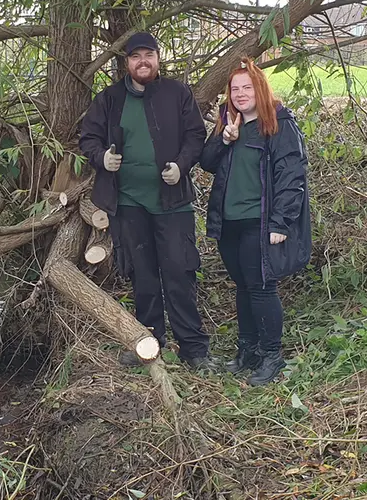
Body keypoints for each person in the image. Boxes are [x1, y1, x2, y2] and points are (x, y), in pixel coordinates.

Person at [79, 32, 214, 370]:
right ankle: (149, 341)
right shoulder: (109, 99)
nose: (143, 61)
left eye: (148, 55)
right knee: (142, 275)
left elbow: (196, 135)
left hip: (173, 202)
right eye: (136, 56)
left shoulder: (177, 93)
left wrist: (181, 166)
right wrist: (101, 158)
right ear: (126, 62)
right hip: (128, 203)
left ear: (158, 58)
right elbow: (88, 138)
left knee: (179, 273)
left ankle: (193, 349)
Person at [200, 58, 312, 386]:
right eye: (235, 89)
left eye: (247, 87)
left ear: (259, 89)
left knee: (262, 287)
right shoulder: (228, 123)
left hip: (259, 222)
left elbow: (292, 175)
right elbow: (206, 162)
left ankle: (271, 356)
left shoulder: (277, 123)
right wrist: (225, 139)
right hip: (229, 222)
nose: (240, 94)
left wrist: (281, 223)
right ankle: (247, 352)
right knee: (244, 287)